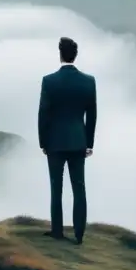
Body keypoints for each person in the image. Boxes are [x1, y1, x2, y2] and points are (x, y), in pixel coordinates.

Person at [37, 36, 97, 244]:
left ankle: (57, 231)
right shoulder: (88, 81)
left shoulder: (49, 81)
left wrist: (43, 142)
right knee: (79, 188)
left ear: (60, 54)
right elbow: (92, 115)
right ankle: (79, 235)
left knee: (57, 188)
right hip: (78, 141)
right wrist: (89, 143)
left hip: (54, 142)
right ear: (76, 55)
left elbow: (43, 113)